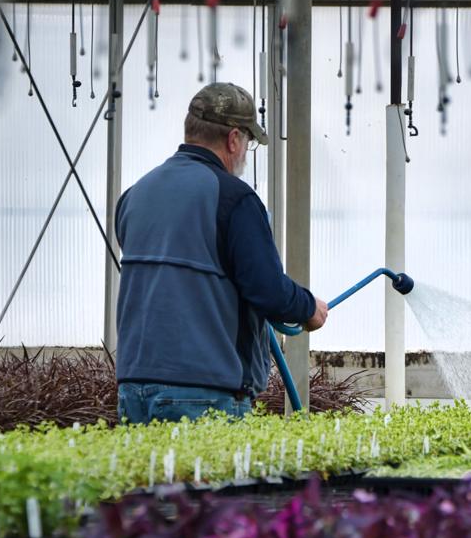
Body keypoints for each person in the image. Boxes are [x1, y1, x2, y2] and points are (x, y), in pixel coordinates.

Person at [113, 83, 328, 424]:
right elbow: (266, 289)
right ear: (233, 139)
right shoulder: (234, 199)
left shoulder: (134, 195)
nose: (245, 152)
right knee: (209, 479)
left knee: (149, 478)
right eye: (248, 142)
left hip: (133, 388)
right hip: (202, 392)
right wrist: (308, 307)